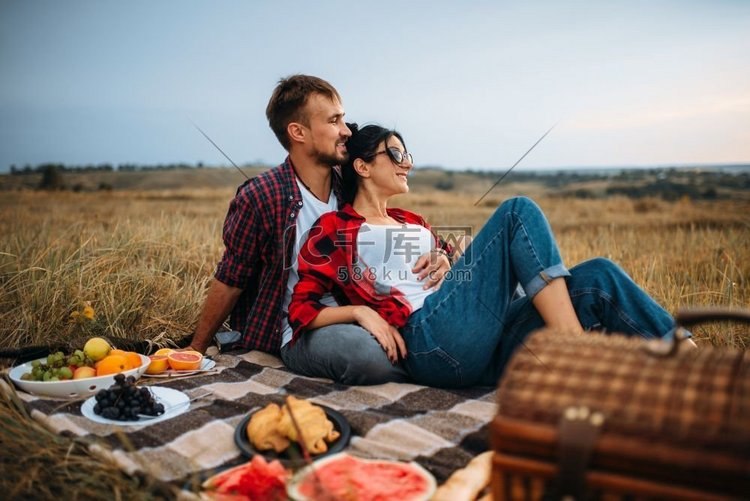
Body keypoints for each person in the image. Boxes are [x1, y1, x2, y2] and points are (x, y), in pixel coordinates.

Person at [288, 124, 692, 388]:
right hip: (430, 343)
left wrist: (452, 263)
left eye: (407, 153)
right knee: (516, 211)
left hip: (485, 341)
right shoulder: (335, 230)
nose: (407, 162)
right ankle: (576, 355)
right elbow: (301, 309)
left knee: (599, 276)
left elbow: (469, 276)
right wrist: (361, 313)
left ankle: (699, 366)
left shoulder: (414, 222)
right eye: (394, 154)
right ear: (361, 165)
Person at [185, 76, 413, 385]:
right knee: (365, 356)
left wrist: (440, 254)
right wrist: (196, 349)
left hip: (369, 309)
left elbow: (391, 224)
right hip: (301, 330)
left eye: (343, 119)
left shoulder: (349, 184)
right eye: (334, 121)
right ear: (298, 132)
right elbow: (231, 278)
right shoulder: (262, 196)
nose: (346, 131)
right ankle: (423, 362)